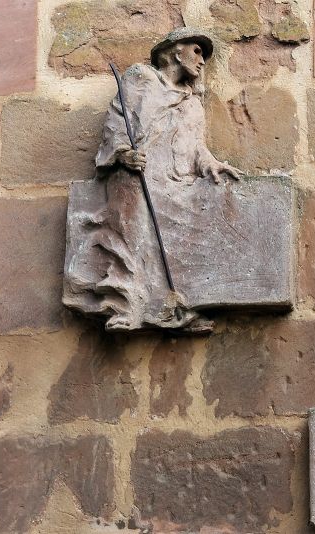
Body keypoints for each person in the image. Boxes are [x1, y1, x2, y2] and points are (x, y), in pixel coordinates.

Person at [63, 28, 242, 332]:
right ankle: (127, 305)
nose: (202, 62)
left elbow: (196, 146)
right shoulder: (141, 80)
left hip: (175, 181)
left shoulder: (192, 104)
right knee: (133, 216)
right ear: (176, 50)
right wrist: (122, 153)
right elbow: (118, 122)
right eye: (197, 51)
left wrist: (211, 163)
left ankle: (178, 305)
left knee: (201, 217)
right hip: (138, 174)